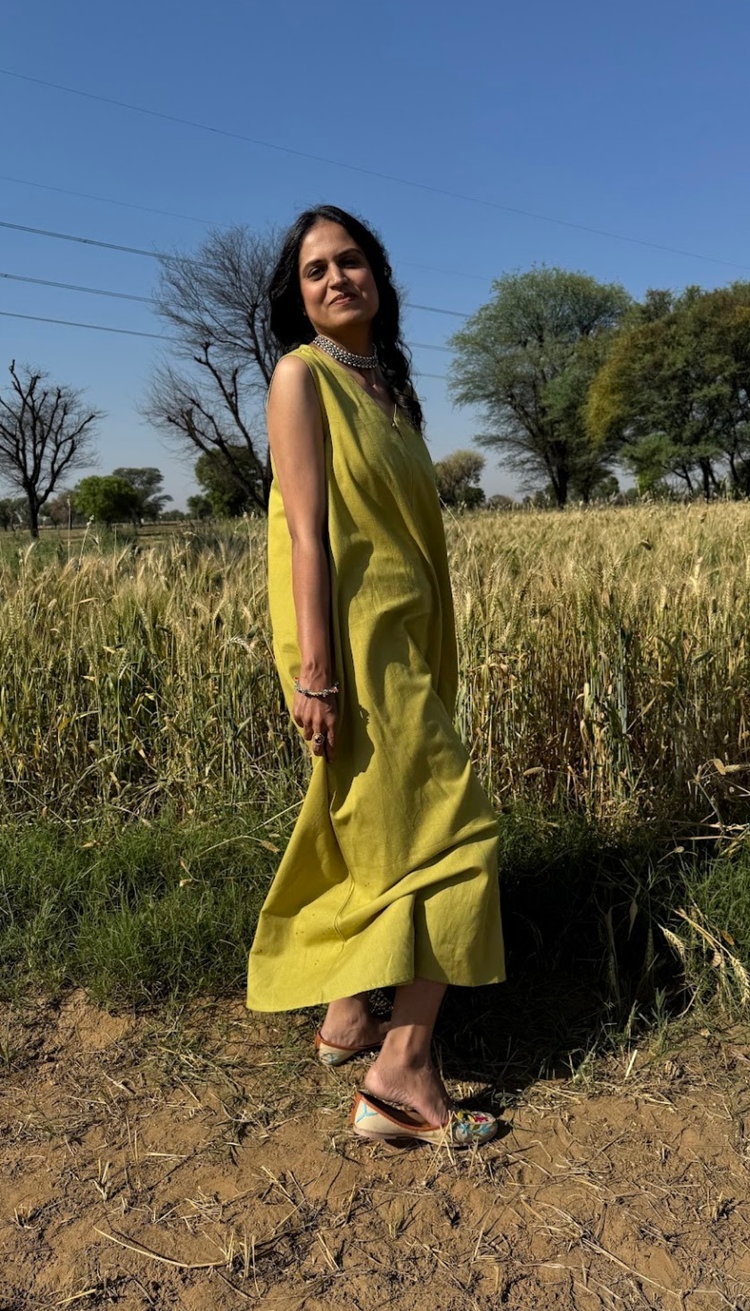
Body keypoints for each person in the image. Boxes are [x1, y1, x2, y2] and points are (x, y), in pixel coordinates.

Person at [246, 205, 505, 1147]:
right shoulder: (300, 376)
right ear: (298, 296)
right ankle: (401, 1075)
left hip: (405, 633)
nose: (335, 279)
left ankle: (348, 1012)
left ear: (378, 276)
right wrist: (318, 671)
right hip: (351, 644)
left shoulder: (387, 386)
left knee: (362, 814)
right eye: (315, 271)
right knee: (458, 829)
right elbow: (305, 531)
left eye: (349, 261)